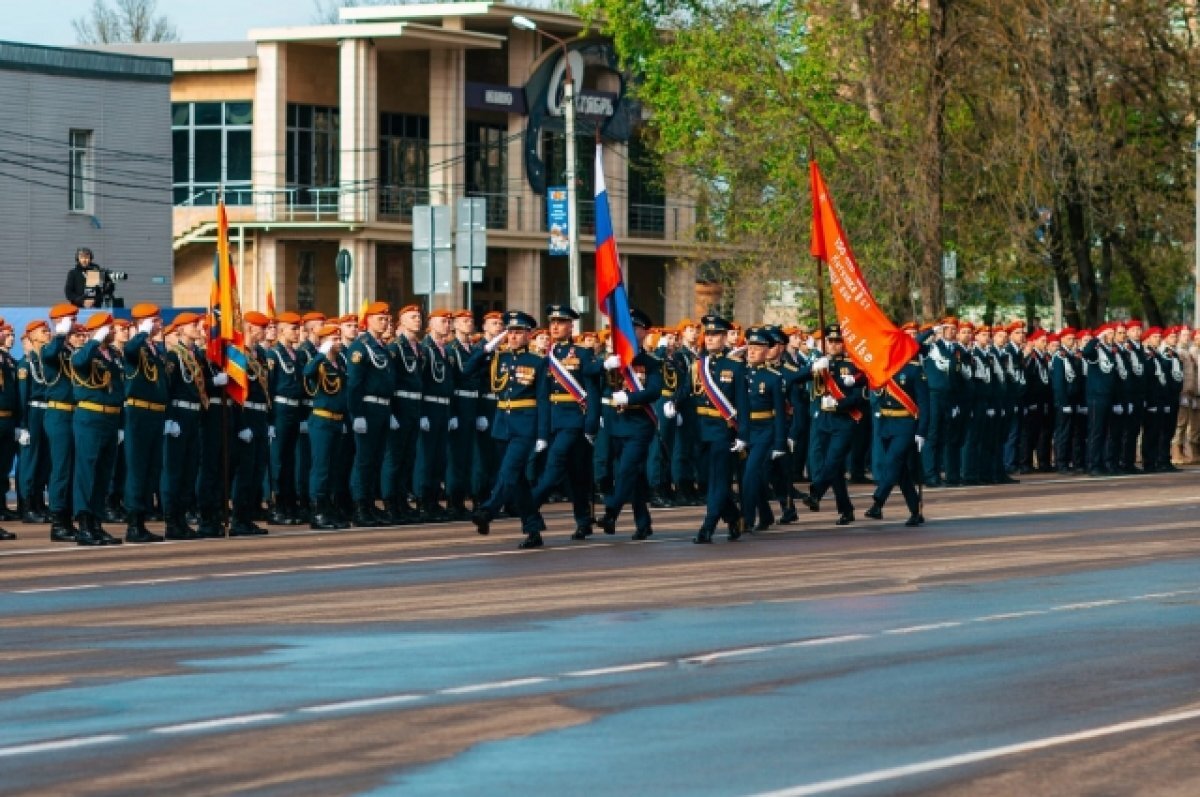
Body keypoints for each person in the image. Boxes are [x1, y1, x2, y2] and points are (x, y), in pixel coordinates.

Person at [467, 311, 550, 549]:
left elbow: (543, 400)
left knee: (508, 472)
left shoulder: (538, 361)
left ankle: (487, 511)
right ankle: (533, 529)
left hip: (526, 424)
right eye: (510, 332)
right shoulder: (498, 358)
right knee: (518, 481)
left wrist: (543, 434)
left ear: (529, 335)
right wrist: (486, 348)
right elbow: (467, 370)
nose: (513, 337)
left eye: (518, 332)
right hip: (502, 423)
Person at [530, 304, 601, 540]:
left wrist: (591, 425)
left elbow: (591, 393)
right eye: (552, 322)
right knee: (575, 474)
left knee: (558, 470)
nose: (555, 327)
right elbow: (542, 397)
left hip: (574, 422)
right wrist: (541, 432)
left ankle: (528, 506)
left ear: (571, 326)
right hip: (552, 422)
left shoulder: (582, 354)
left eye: (561, 323)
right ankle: (583, 521)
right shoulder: (545, 358)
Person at [596, 308, 663, 541]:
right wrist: (604, 366)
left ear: (645, 332)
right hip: (615, 422)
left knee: (626, 471)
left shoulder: (651, 362)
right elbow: (589, 376)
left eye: (635, 328)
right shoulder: (613, 360)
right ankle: (643, 523)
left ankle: (611, 513)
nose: (630, 332)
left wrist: (631, 398)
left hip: (639, 424)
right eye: (626, 327)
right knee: (633, 475)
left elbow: (655, 390)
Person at [684, 314, 749, 544]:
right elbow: (685, 391)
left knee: (719, 481)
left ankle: (708, 526)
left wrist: (742, 434)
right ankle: (733, 516)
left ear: (724, 338)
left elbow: (743, 403)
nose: (710, 338)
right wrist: (672, 402)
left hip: (723, 431)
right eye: (708, 334)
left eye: (715, 335)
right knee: (704, 480)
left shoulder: (735, 367)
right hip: (701, 431)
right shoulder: (697, 365)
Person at [800, 324, 867, 525]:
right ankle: (846, 509)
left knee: (833, 460)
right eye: (831, 341)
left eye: (838, 341)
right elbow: (798, 378)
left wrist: (840, 404)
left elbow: (860, 396)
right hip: (822, 419)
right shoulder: (820, 362)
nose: (834, 345)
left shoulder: (853, 365)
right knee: (831, 466)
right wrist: (813, 366)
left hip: (844, 420)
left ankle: (816, 493)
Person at [68, 312, 125, 545]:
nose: (112, 332)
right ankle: (83, 524)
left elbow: (120, 388)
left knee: (103, 473)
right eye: (108, 329)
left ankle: (97, 522)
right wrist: (93, 340)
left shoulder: (112, 354)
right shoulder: (83, 352)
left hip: (110, 418)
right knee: (86, 472)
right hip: (90, 416)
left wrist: (120, 423)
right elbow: (79, 363)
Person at [864, 348, 929, 526]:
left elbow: (924, 403)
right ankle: (915, 510)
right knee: (900, 472)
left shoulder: (914, 369)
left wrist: (922, 430)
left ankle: (878, 502)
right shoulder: (883, 369)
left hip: (906, 424)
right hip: (886, 423)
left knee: (892, 461)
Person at [121, 303, 169, 543]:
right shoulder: (136, 346)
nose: (160, 325)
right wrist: (141, 332)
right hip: (138, 412)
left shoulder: (154, 349)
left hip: (155, 414)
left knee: (151, 468)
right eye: (156, 321)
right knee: (138, 469)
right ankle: (134, 523)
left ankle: (143, 519)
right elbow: (128, 351)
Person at [348, 302, 397, 527]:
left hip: (382, 408)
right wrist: (356, 413)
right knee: (364, 460)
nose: (385, 322)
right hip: (367, 408)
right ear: (367, 320)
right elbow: (354, 384)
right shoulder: (361, 346)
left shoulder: (381, 347)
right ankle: (360, 507)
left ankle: (369, 503)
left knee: (377, 459)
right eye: (380, 318)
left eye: (386, 319)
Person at [739, 327, 787, 533]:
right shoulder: (739, 372)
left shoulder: (773, 378)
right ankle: (766, 514)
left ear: (767, 351)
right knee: (752, 476)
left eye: (758, 347)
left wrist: (779, 442)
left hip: (764, 431)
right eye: (750, 346)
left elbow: (779, 413)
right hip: (743, 430)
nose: (752, 351)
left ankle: (746, 518)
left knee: (750, 474)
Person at [304, 323, 349, 530]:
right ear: (324, 341)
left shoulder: (340, 363)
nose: (339, 343)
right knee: (320, 468)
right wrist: (320, 354)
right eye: (335, 339)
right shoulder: (320, 363)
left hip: (337, 420)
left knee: (333, 468)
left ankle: (329, 508)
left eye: (340, 339)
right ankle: (318, 511)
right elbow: (307, 372)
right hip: (321, 420)